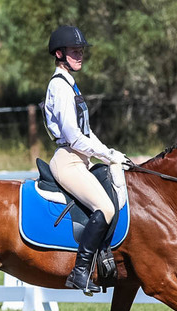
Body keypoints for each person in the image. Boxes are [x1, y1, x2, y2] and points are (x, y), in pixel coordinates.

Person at [43, 25, 127, 296]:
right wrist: (107, 155)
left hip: (81, 159)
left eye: (81, 51)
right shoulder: (60, 87)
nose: (80, 55)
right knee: (105, 207)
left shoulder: (71, 84)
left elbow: (88, 134)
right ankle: (80, 272)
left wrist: (112, 154)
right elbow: (74, 137)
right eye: (74, 51)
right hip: (68, 159)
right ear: (60, 53)